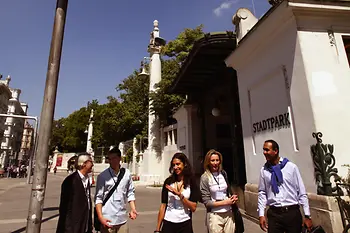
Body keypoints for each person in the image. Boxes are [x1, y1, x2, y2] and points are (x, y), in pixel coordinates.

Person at [258, 139, 313, 233]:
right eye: (263, 150)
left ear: (275, 151)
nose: (264, 152)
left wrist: (307, 215)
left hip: (292, 213)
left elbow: (301, 192)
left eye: (267, 150)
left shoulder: (291, 167)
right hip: (274, 214)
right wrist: (261, 214)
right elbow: (262, 192)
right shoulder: (264, 170)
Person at [155, 152, 201, 233]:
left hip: (185, 223)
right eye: (174, 165)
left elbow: (193, 208)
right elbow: (163, 205)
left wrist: (180, 195)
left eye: (178, 164)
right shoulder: (168, 182)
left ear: (184, 164)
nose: (175, 167)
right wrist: (158, 229)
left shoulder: (191, 182)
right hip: (168, 222)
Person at [95, 147, 138, 233]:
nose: (111, 161)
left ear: (119, 159)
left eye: (114, 158)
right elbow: (98, 198)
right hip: (107, 219)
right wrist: (100, 217)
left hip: (122, 219)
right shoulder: (103, 176)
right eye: (109, 159)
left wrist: (133, 209)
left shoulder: (127, 174)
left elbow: (130, 192)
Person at [200, 149, 238, 233]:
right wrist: (226, 202)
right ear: (208, 162)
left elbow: (227, 192)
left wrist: (232, 198)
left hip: (229, 214)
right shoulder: (205, 177)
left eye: (217, 160)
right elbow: (206, 202)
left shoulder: (223, 173)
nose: (215, 163)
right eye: (212, 160)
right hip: (215, 215)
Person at [56, 153, 94, 233]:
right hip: (72, 228)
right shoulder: (70, 181)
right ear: (84, 164)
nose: (93, 164)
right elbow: (64, 208)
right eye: (90, 161)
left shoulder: (86, 179)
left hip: (84, 226)